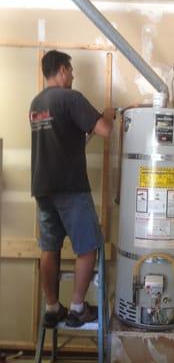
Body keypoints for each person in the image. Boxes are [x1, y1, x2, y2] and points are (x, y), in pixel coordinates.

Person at [29, 50, 115, 328]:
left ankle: (53, 308)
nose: (74, 76)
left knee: (49, 247)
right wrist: (109, 115)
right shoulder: (71, 98)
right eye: (72, 70)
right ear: (63, 70)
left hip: (43, 188)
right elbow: (105, 130)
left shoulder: (37, 103)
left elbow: (64, 137)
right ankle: (78, 308)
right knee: (89, 246)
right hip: (70, 187)